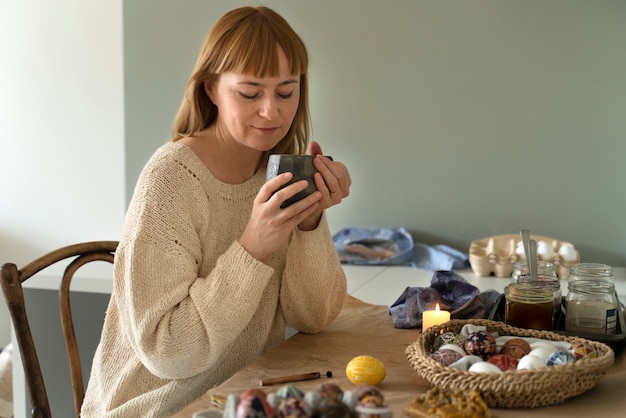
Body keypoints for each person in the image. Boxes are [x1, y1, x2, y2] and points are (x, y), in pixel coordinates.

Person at [81, 6, 350, 417]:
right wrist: (253, 248)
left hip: (239, 399)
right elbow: (168, 352)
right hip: (157, 409)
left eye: (285, 91)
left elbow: (314, 317)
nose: (271, 112)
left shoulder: (276, 172)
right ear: (211, 89)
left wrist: (310, 220)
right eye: (249, 93)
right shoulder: (170, 181)